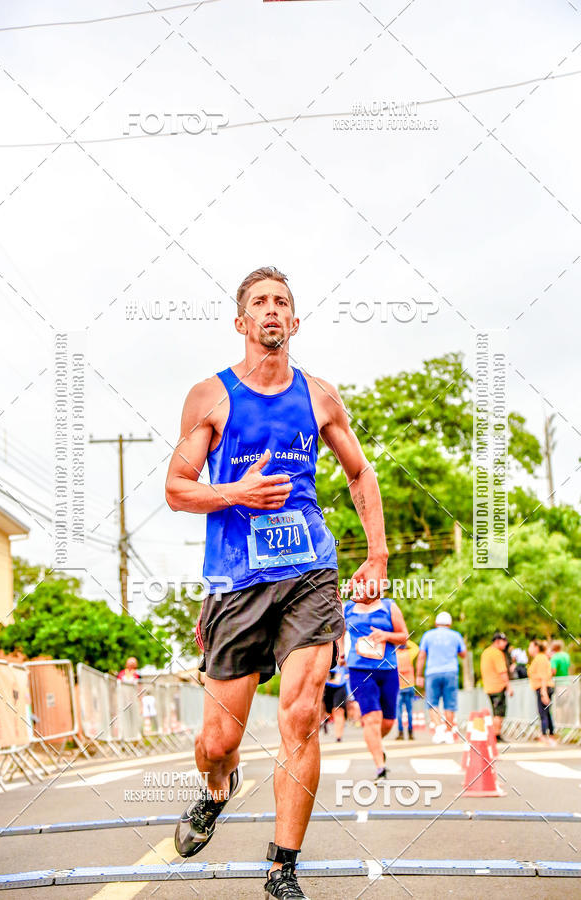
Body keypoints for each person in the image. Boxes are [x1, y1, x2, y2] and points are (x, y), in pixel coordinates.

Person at [165, 266, 389, 900]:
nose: (271, 310)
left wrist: (376, 555)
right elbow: (177, 489)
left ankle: (281, 869)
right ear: (241, 322)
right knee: (217, 741)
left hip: (308, 573)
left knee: (301, 714)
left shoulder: (320, 396)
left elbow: (360, 474)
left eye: (282, 303)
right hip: (235, 581)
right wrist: (236, 492)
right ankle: (216, 789)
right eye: (259, 302)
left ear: (294, 321)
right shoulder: (209, 396)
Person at [341, 592, 408, 782]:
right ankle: (381, 767)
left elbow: (404, 637)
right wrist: (341, 652)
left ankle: (378, 746)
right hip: (359, 669)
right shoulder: (348, 608)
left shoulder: (389, 606)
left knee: (387, 721)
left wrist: (385, 635)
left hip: (387, 668)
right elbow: (340, 632)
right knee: (372, 718)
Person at [416, 611, 466, 744]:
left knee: (432, 702)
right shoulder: (455, 635)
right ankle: (449, 733)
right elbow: (463, 654)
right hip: (451, 672)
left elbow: (421, 656)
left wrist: (419, 675)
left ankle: (439, 731)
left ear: (436, 623)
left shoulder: (428, 635)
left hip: (432, 672)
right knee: (450, 703)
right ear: (449, 623)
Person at [480, 631, 513, 743]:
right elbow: (502, 671)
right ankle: (496, 734)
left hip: (488, 686)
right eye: (504, 641)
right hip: (498, 686)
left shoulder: (486, 652)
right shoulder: (497, 653)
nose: (505, 644)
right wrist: (509, 686)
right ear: (497, 641)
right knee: (499, 712)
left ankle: (495, 734)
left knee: (495, 711)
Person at [528, 639, 557, 745]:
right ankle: (551, 734)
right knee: (546, 712)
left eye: (530, 646)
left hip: (543, 687)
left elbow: (543, 676)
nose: (529, 649)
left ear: (536, 647)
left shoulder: (540, 658)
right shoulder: (541, 658)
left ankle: (545, 735)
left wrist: (543, 692)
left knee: (543, 712)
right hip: (543, 687)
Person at [396, 639, 418, 740]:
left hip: (399, 687)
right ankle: (410, 733)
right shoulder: (409, 654)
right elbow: (416, 648)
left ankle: (400, 733)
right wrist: (405, 639)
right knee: (409, 710)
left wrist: (395, 640)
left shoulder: (394, 655)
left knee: (399, 711)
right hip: (409, 685)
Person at [322, 664, 350, 742]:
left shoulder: (342, 655)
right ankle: (325, 721)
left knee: (338, 711)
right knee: (328, 712)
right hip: (326, 687)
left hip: (340, 687)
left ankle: (338, 736)